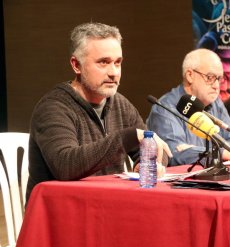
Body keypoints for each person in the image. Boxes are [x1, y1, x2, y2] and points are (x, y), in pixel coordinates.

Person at [27, 22, 172, 202]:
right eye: (103, 62)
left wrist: (148, 163)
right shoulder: (53, 107)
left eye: (117, 63)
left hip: (108, 205)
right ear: (76, 65)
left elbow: (156, 148)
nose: (113, 72)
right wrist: (128, 137)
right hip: (63, 214)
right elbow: (65, 165)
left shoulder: (120, 103)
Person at [147, 48, 230, 166]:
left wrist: (197, 150)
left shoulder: (215, 103)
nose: (216, 86)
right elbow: (173, 154)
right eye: (210, 77)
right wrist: (222, 152)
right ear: (190, 75)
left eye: (219, 79)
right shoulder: (166, 107)